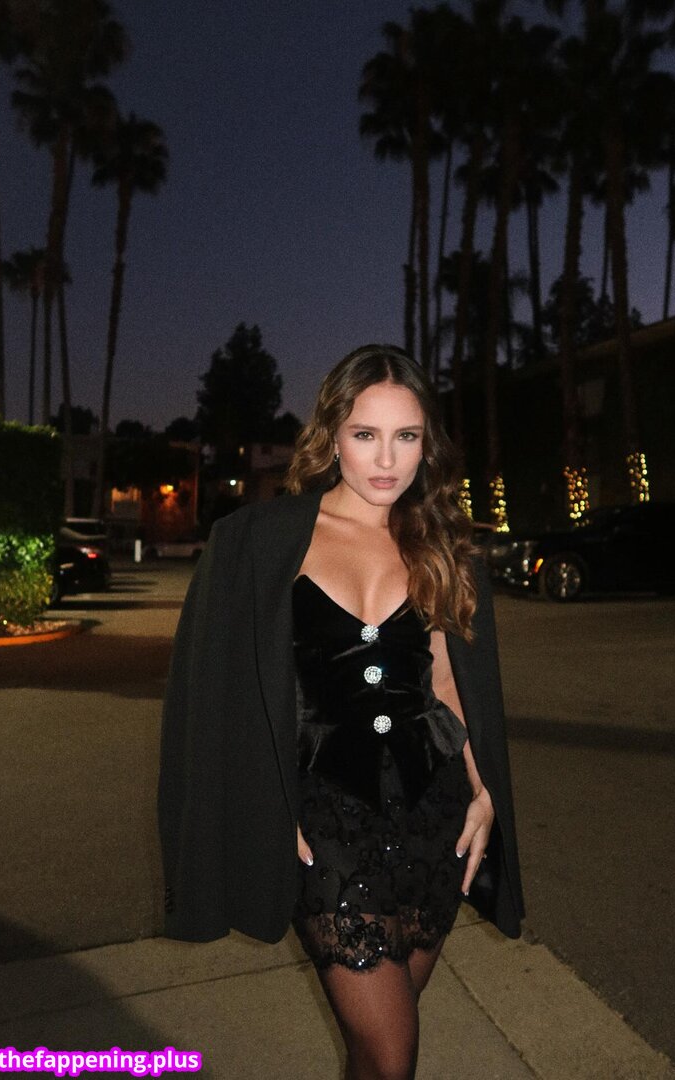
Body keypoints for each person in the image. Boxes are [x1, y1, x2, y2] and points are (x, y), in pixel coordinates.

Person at [158, 344, 524, 1080]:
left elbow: (448, 684)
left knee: (375, 1046)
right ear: (331, 436)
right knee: (392, 1052)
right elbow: (216, 697)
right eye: (365, 434)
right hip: (325, 818)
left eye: (406, 436)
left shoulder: (444, 545)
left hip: (435, 813)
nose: (386, 459)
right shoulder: (258, 542)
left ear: (427, 443)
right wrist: (264, 806)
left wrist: (483, 793)